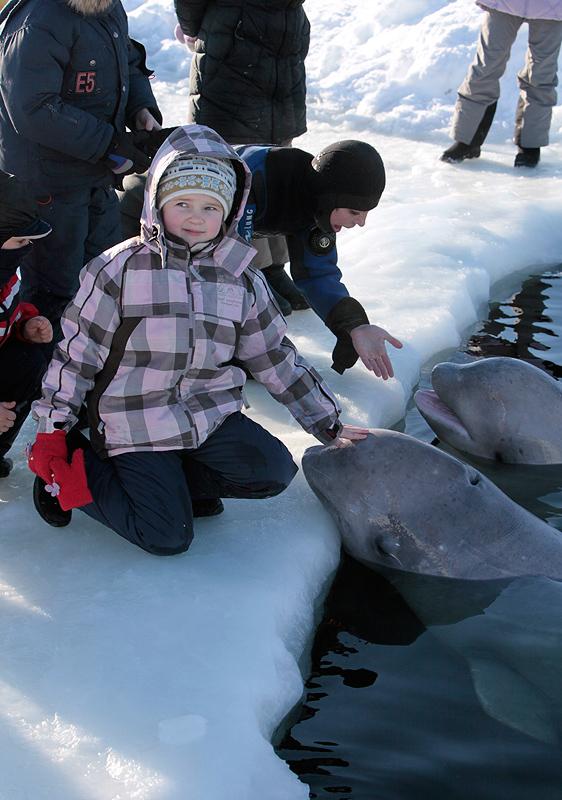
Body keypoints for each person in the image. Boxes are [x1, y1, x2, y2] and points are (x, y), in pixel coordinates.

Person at [28, 124, 368, 554]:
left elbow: (273, 356)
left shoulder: (239, 276)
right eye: (182, 203)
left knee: (273, 471)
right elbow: (75, 358)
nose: (195, 217)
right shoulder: (118, 270)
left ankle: (170, 482)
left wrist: (326, 421)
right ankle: (74, 473)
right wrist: (52, 430)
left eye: (210, 207)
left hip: (203, 414)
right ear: (157, 201)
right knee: (167, 535)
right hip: (133, 421)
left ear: (228, 212)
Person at [119, 137, 404, 378]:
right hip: (140, 210)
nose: (362, 223)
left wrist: (353, 324)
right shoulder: (250, 185)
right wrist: (243, 348)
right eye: (355, 212)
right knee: (149, 301)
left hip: (198, 228)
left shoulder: (317, 199)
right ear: (330, 198)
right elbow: (220, 274)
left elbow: (318, 274)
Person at [0, 0, 163, 339]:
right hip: (47, 184)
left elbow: (128, 62)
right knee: (54, 289)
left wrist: (141, 107)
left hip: (96, 173)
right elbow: (33, 108)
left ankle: (89, 372)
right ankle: (46, 380)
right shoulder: (39, 20)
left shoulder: (107, 7)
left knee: (103, 280)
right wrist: (109, 143)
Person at [173, 0, 312, 315]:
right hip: (234, 55)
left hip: (282, 49)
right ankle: (254, 269)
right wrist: (200, 30)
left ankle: (275, 265)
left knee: (278, 169)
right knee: (242, 176)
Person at [441, 1, 562, 168]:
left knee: (541, 76)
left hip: (552, 8)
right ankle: (467, 140)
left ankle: (531, 145)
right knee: (485, 69)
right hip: (505, 4)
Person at [0, 170, 53, 478]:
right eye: (19, 240)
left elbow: (10, 310)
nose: (26, 248)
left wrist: (26, 326)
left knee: (29, 361)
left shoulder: (5, 276)